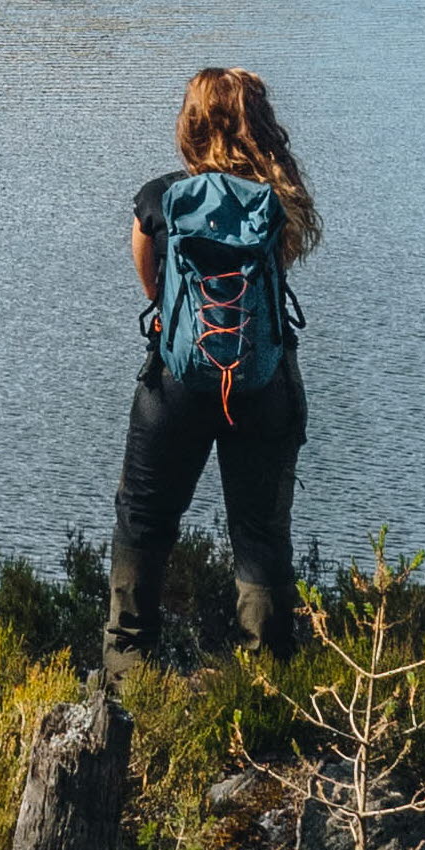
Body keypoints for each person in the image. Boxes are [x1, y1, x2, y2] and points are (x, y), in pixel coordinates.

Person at [109, 66, 321, 668]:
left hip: (174, 386)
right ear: (259, 124)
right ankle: (267, 693)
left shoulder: (158, 198)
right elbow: (278, 270)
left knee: (144, 524)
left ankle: (127, 686)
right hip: (262, 383)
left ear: (192, 123)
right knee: (259, 536)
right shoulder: (280, 202)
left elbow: (151, 283)